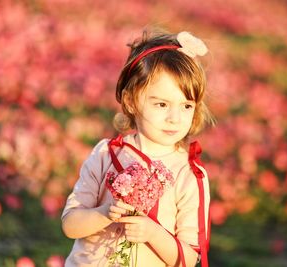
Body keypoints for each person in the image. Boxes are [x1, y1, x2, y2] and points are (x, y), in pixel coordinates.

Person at [61, 29, 214, 267]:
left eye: (186, 105)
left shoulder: (189, 174)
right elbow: (70, 225)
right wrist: (104, 213)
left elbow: (189, 258)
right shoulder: (106, 154)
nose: (175, 118)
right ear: (131, 101)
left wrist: (153, 233)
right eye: (162, 104)